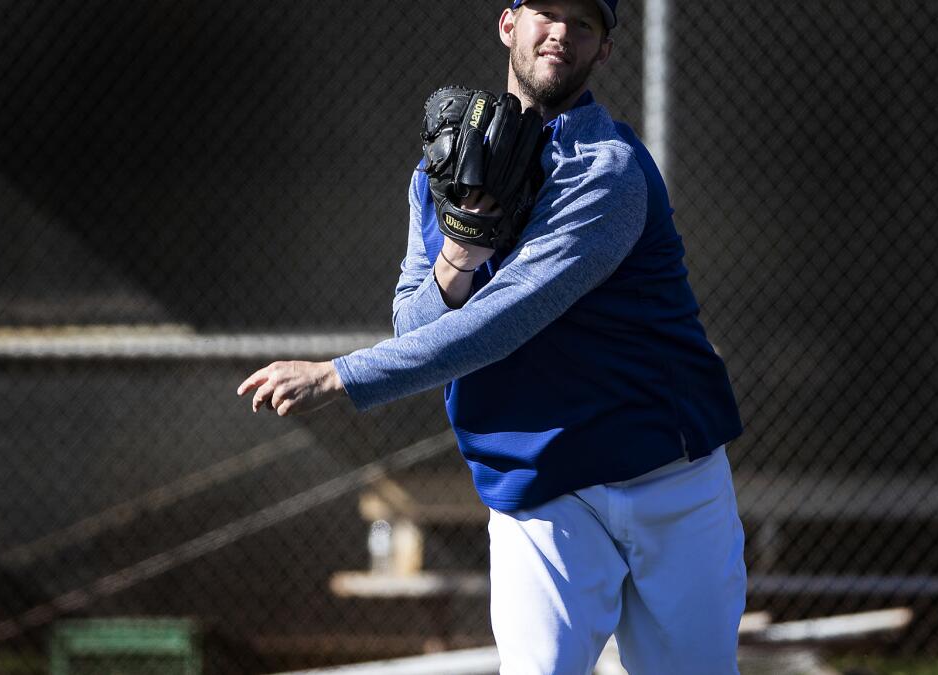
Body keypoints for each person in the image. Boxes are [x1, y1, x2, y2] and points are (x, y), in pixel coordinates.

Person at [238, 1, 747, 672]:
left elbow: (507, 319)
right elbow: (414, 324)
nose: (561, 32)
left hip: (666, 478)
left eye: (584, 23)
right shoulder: (439, 171)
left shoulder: (609, 168)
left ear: (604, 52)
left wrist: (341, 374)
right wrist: (460, 249)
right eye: (547, 11)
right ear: (508, 24)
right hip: (538, 484)